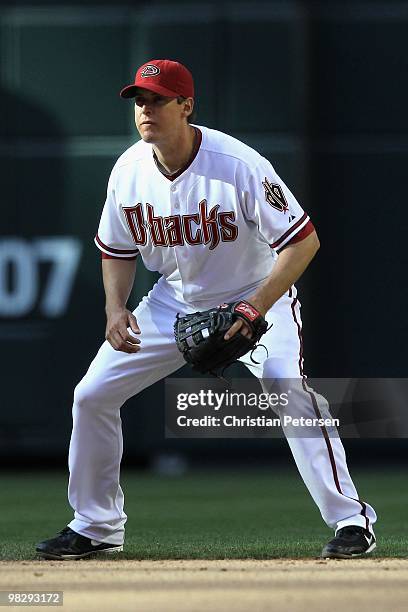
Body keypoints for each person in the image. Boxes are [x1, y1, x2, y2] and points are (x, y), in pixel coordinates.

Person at [36, 59, 376, 560]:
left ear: (186, 105)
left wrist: (255, 306)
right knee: (92, 395)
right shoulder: (128, 172)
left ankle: (351, 520)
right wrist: (114, 307)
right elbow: (116, 249)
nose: (146, 109)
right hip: (173, 300)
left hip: (258, 292)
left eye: (158, 99)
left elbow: (303, 242)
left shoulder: (236, 165)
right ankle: (96, 525)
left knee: (288, 391)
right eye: (139, 100)